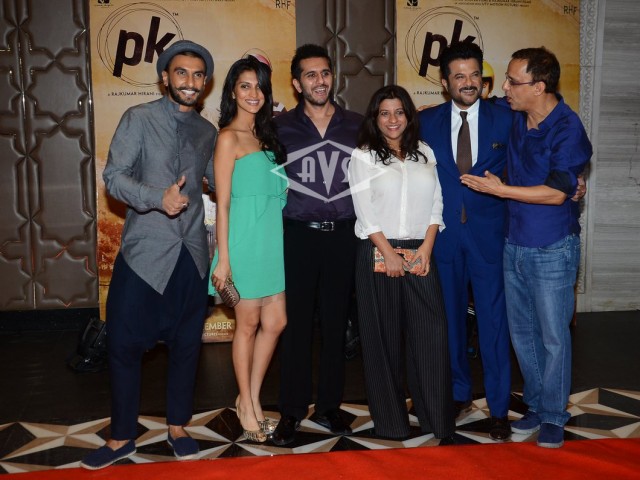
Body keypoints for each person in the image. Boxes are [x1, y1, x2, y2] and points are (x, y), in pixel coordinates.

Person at [81, 40, 216, 470]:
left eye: (198, 74)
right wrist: (159, 198)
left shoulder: (207, 132)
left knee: (186, 347)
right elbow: (114, 177)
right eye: (182, 72)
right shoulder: (137, 118)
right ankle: (122, 436)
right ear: (165, 77)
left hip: (191, 255)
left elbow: (220, 181)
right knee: (123, 346)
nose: (190, 81)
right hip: (144, 255)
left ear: (205, 82)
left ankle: (178, 427)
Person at [461, 47, 592, 448]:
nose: (504, 87)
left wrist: (501, 190)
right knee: (523, 335)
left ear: (539, 86)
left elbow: (557, 193)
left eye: (513, 82)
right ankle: (536, 404)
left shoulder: (567, 127)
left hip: (552, 247)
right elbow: (473, 105)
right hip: (513, 243)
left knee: (553, 337)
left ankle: (554, 414)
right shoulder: (515, 112)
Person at [348, 85, 456, 443]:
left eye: (399, 112)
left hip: (421, 252)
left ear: (409, 116)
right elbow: (365, 213)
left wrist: (427, 247)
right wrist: (389, 253)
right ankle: (392, 424)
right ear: (375, 118)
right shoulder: (363, 156)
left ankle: (437, 420)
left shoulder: (425, 152)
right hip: (378, 251)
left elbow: (437, 203)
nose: (392, 119)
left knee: (431, 337)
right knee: (382, 342)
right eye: (384, 113)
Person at [418, 42, 514, 441]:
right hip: (443, 239)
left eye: (475, 74)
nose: (469, 82)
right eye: (459, 76)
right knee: (450, 322)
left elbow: (531, 160)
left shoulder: (506, 118)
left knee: (493, 323)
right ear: (445, 82)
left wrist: (570, 180)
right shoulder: (425, 122)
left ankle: (499, 408)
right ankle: (458, 393)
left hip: (489, 237)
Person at [271, 44, 363, 446]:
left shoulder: (357, 125)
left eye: (324, 73)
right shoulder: (278, 127)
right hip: (298, 236)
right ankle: (291, 410)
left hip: (344, 236)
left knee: (336, 324)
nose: (319, 81)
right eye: (310, 75)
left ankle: (328, 406)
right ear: (297, 83)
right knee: (295, 327)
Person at [209, 57, 288, 443]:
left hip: (271, 244)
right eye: (245, 85)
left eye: (259, 86)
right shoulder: (228, 138)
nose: (253, 93)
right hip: (243, 245)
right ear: (232, 92)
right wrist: (224, 259)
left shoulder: (268, 138)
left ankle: (249, 398)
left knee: (276, 323)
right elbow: (222, 203)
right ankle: (249, 406)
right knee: (248, 325)